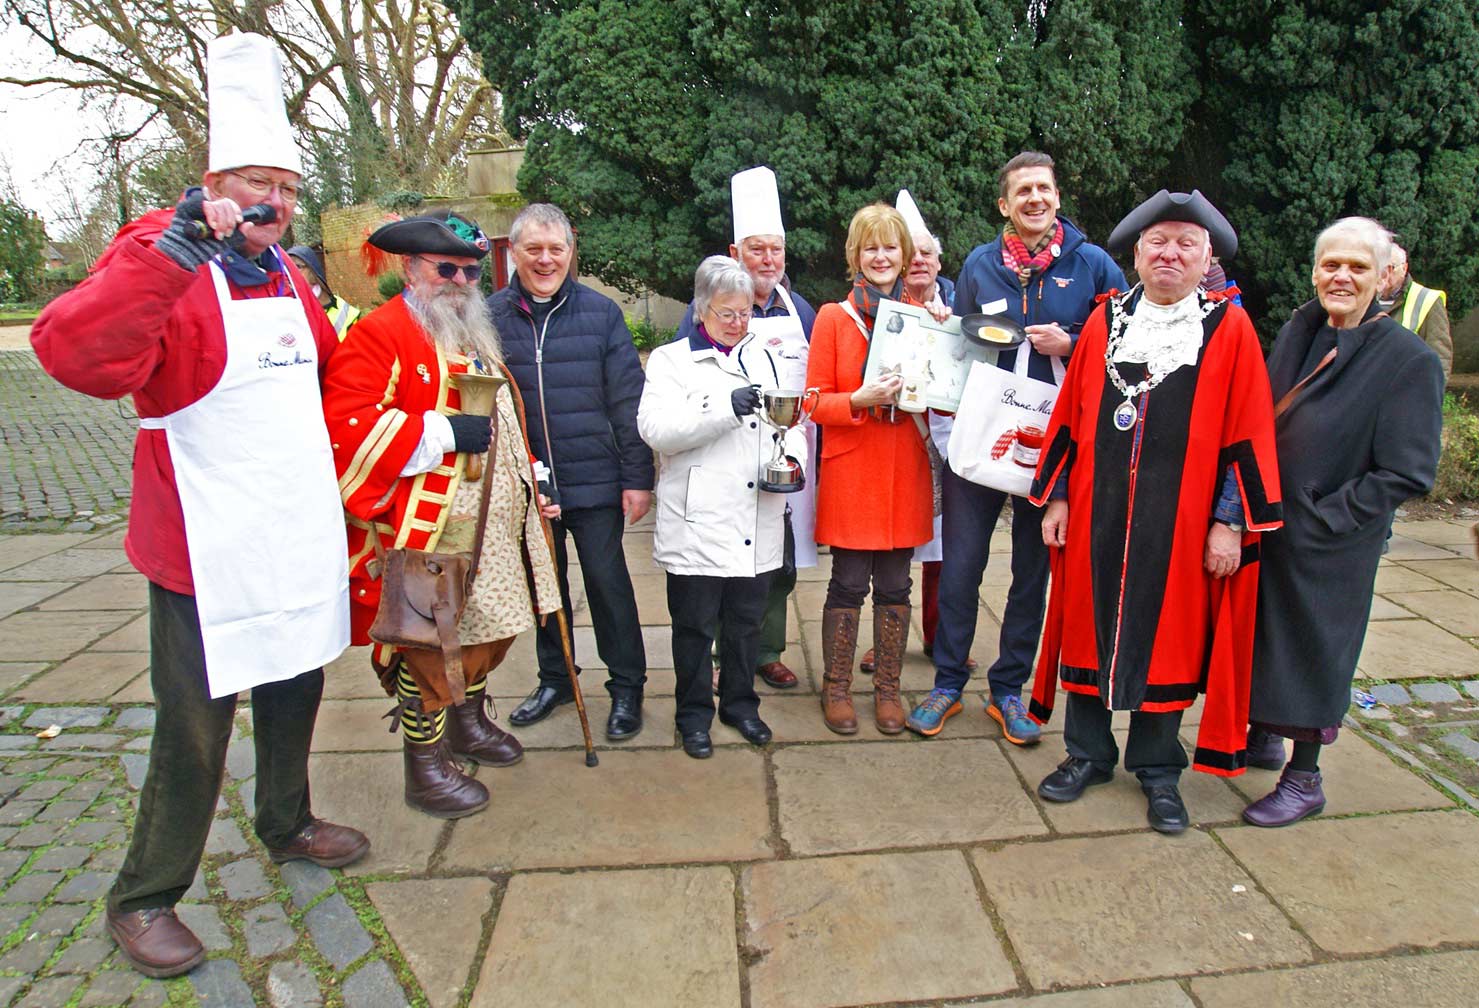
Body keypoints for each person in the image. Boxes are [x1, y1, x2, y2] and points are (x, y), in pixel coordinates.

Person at [30, 32, 367, 978]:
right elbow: (73, 354)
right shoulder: (160, 251)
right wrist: (174, 254)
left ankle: (286, 817)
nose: (279, 203)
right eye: (260, 182)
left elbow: (328, 385)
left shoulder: (296, 276)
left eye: (291, 187)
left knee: (299, 676)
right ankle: (143, 898)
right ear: (213, 186)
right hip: (203, 537)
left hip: (292, 525)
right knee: (193, 724)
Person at [1026, 190, 1283, 834]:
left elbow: (1247, 434)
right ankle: (1086, 753)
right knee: (1088, 626)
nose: (1170, 254)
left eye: (1185, 245)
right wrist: (1056, 495)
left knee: (1166, 640)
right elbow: (1073, 419)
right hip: (1095, 514)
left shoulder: (1229, 329)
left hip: (1184, 525)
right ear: (1137, 254)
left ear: (1206, 260)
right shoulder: (1105, 320)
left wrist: (1229, 521)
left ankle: (1158, 769)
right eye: (1157, 243)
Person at [322, 210, 562, 818]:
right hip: (431, 527)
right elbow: (343, 427)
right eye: (445, 268)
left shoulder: (472, 333)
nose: (459, 280)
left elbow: (502, 422)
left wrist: (529, 475)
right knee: (431, 646)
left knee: (487, 635)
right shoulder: (381, 333)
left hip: (498, 527)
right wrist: (440, 432)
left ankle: (468, 722)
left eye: (470, 270)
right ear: (410, 268)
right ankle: (424, 765)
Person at [906, 152, 1126, 743]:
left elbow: (1126, 338)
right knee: (961, 565)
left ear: (1057, 198)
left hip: (1051, 443)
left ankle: (1009, 688)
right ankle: (948, 682)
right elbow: (965, 340)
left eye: (1043, 189)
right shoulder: (980, 264)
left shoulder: (1093, 264)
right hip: (983, 430)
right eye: (1022, 191)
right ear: (1005, 204)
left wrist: (1073, 338)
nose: (1035, 198)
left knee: (1032, 570)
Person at [1245, 217, 1443, 826]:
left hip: (1334, 538)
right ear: (1314, 270)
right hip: (1275, 524)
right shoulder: (1301, 329)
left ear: (1384, 276)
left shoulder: (1407, 359)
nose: (1342, 277)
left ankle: (1304, 779)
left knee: (1315, 650)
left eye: (1358, 267)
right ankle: (1262, 736)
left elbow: (1409, 471)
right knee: (1265, 635)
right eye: (1331, 264)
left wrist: (1330, 516)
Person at [487, 204, 654, 740]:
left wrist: (637, 478)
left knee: (608, 585)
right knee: (544, 588)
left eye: (556, 249)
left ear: (570, 252)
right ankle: (556, 677)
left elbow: (628, 401)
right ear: (513, 252)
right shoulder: (488, 317)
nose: (545, 259)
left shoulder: (600, 314)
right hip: (527, 486)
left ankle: (627, 686)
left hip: (594, 479)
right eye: (533, 249)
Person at [639, 256, 806, 756]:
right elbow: (656, 431)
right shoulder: (672, 361)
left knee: (745, 624)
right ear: (701, 310)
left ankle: (741, 705)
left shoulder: (765, 355)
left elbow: (791, 421)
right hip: (699, 519)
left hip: (757, 513)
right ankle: (693, 716)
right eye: (726, 314)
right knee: (693, 627)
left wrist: (791, 461)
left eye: (745, 313)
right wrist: (720, 409)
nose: (738, 324)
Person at [675, 167, 818, 690]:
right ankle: (717, 658)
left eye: (776, 251)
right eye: (757, 250)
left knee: (778, 559)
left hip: (781, 453)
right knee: (717, 562)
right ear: (735, 252)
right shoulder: (704, 311)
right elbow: (684, 381)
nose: (768, 261)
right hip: (720, 454)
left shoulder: (799, 309)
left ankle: (766, 648)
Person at [806, 203, 937, 735]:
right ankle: (837, 687)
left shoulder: (926, 318)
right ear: (855, 257)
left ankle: (887, 689)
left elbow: (944, 399)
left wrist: (946, 344)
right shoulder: (833, 318)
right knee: (848, 581)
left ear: (905, 256)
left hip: (904, 466)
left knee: (896, 583)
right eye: (870, 247)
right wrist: (857, 398)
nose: (881, 257)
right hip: (853, 468)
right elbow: (813, 401)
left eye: (890, 247)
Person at [859, 189, 956, 675]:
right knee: (893, 552)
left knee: (942, 552)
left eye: (927, 254)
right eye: (910, 252)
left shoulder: (958, 308)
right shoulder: (877, 311)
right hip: (898, 442)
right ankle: (885, 643)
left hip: (949, 444)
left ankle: (939, 638)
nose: (918, 261)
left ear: (939, 262)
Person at [1378, 243, 1451, 382]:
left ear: (1404, 268)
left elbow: (1440, 357)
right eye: (1379, 268)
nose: (1384, 274)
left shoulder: (1427, 299)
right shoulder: (1364, 298)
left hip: (1407, 392)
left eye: (1390, 268)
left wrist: (1429, 396)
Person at [287, 244, 361, 338]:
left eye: (297, 266)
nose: (290, 272)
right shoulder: (287, 307)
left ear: (312, 270)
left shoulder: (347, 313)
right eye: (287, 268)